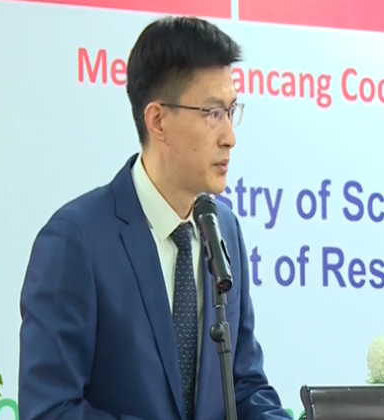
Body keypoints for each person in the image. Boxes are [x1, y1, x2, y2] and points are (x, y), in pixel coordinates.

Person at [18, 16, 291, 420]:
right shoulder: (76, 241)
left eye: (232, 111)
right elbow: (50, 410)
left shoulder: (225, 230)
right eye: (212, 113)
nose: (230, 137)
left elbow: (244, 385)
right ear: (158, 120)